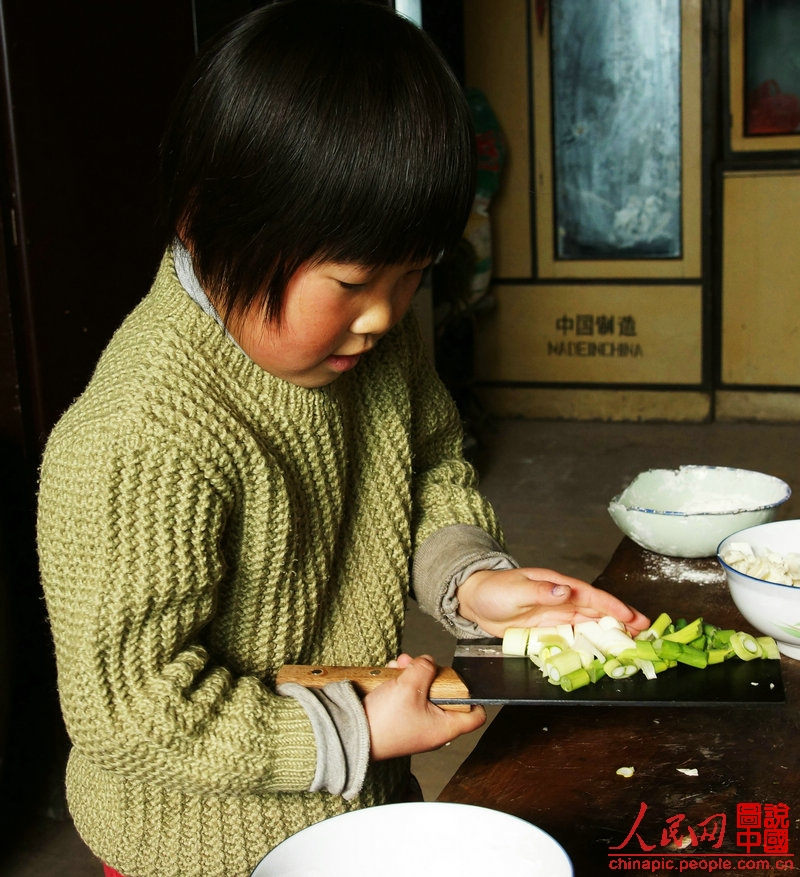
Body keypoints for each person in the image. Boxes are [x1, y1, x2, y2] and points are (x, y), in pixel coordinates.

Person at [36, 2, 649, 875]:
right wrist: (353, 729)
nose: (382, 317)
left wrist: (473, 582)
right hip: (199, 850)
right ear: (207, 222)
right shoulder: (142, 435)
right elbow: (134, 711)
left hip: (363, 802)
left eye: (412, 277)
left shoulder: (374, 343)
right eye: (355, 280)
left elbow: (430, 460)